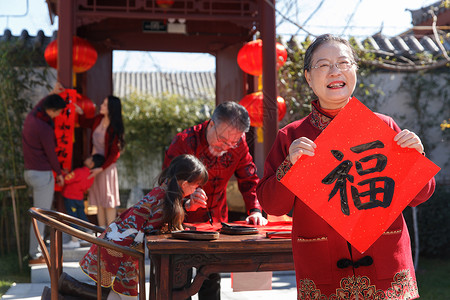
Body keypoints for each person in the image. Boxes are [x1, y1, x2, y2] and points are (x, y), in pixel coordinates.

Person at [256, 34, 436, 300]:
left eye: (343, 62)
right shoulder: (292, 136)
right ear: (308, 76)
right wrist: (289, 167)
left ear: (355, 71)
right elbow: (272, 206)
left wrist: (416, 156)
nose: (335, 71)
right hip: (324, 272)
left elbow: (420, 195)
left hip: (387, 269)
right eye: (324, 65)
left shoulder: (384, 126)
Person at [55, 154, 208, 300]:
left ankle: (68, 288)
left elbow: (160, 219)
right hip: (119, 253)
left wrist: (187, 206)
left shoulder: (163, 192)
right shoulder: (164, 199)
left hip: (116, 247)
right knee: (127, 297)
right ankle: (68, 287)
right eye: (197, 185)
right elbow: (164, 227)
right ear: (185, 184)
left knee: (124, 297)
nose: (197, 190)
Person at [163, 101, 267, 300]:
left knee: (211, 279)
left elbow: (249, 179)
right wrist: (185, 200)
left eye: (233, 143)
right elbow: (166, 186)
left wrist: (255, 210)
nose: (226, 147)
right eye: (222, 140)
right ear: (211, 124)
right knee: (179, 284)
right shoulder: (184, 142)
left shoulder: (238, 144)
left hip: (215, 224)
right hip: (181, 224)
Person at [22, 84, 67, 265]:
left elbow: (40, 106)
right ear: (52, 110)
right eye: (58, 112)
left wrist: (51, 94)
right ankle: (35, 255)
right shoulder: (45, 128)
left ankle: (36, 251)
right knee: (41, 217)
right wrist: (60, 172)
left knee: (37, 215)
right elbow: (51, 154)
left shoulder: (32, 117)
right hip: (42, 174)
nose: (58, 116)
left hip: (30, 172)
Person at [76, 95, 125, 227]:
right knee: (99, 202)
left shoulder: (115, 127)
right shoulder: (98, 119)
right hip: (95, 164)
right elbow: (84, 123)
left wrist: (101, 169)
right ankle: (102, 234)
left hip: (107, 168)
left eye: (104, 104)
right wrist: (79, 112)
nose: (101, 106)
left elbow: (115, 153)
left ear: (111, 108)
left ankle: (111, 235)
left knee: (108, 201)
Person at [61, 154, 105, 248]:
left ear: (91, 163)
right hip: (79, 198)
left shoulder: (79, 171)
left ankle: (74, 240)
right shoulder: (91, 176)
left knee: (72, 217)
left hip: (70, 197)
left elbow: (67, 179)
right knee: (81, 216)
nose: (87, 157)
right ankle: (89, 235)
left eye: (89, 158)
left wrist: (64, 174)